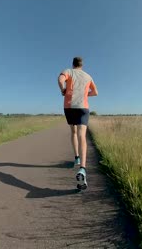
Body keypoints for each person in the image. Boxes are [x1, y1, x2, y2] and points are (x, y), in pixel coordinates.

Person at [58, 57, 98, 190]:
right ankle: (82, 169)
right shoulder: (88, 76)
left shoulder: (68, 71)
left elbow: (60, 79)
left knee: (73, 132)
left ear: (73, 64)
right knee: (82, 135)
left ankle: (76, 158)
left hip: (69, 106)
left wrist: (63, 90)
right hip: (83, 107)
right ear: (82, 65)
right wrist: (85, 94)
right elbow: (95, 92)